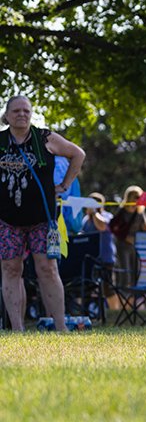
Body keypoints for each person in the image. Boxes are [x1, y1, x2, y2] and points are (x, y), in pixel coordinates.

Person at [0, 95, 85, 331]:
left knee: (47, 269)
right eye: (16, 111)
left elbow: (78, 154)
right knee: (10, 270)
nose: (22, 114)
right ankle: (17, 329)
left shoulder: (45, 138)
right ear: (6, 115)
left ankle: (61, 327)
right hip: (7, 220)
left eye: (26, 111)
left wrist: (65, 185)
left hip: (43, 219)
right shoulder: (1, 141)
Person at [112, 185, 146, 288]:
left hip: (135, 247)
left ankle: (132, 301)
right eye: (135, 196)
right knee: (125, 274)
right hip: (122, 246)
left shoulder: (140, 213)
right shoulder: (122, 212)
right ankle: (122, 300)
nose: (138, 199)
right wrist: (125, 237)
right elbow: (113, 228)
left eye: (139, 196)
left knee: (136, 274)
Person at [80, 191, 119, 309]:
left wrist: (95, 213)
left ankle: (114, 311)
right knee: (88, 287)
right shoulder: (86, 219)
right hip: (90, 259)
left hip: (106, 258)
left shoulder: (107, 216)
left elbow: (102, 227)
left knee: (108, 288)